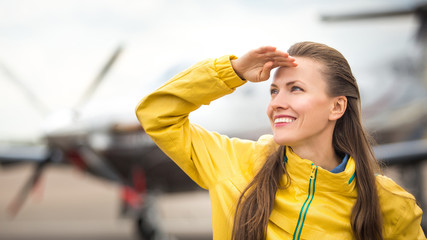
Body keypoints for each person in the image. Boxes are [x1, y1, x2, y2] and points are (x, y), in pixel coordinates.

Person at [135, 42, 425, 240]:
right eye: (274, 91)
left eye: (295, 89)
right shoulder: (235, 164)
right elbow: (157, 114)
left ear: (336, 107)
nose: (277, 103)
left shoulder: (391, 205)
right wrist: (232, 71)